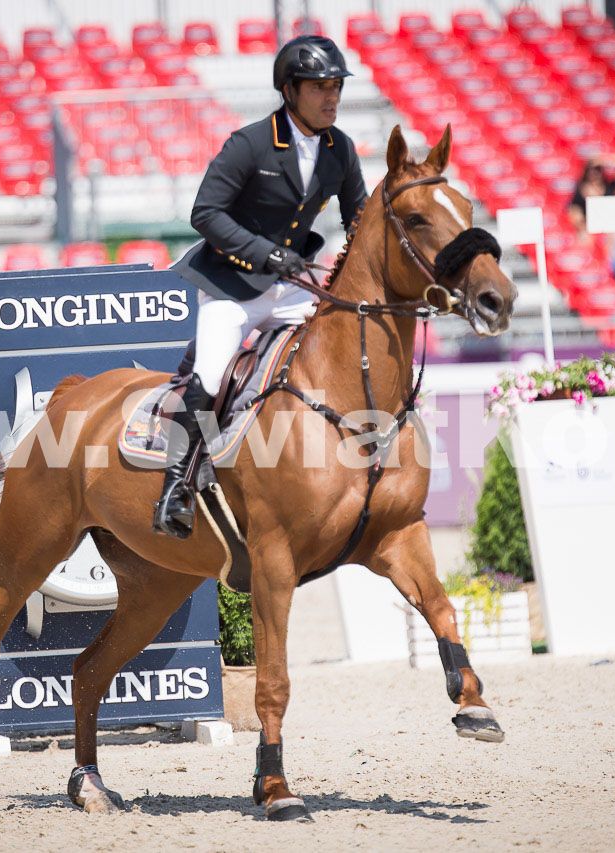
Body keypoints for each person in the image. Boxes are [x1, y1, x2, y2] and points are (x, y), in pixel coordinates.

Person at [159, 35, 367, 538]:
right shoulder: (250, 143)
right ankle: (176, 487)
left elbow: (359, 221)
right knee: (210, 377)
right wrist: (267, 254)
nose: (331, 97)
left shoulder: (340, 149)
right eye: (319, 87)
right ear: (289, 90)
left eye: (336, 87)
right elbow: (205, 213)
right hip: (233, 285)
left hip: (294, 289)